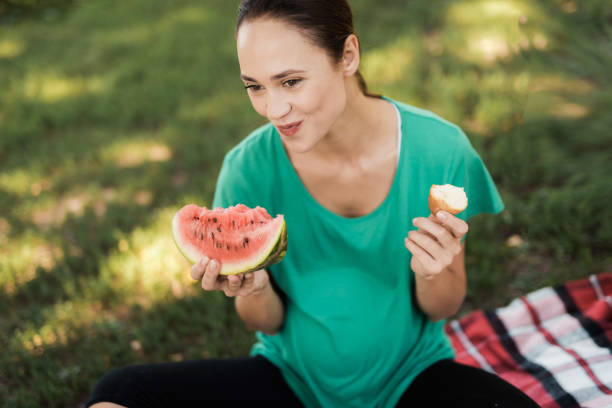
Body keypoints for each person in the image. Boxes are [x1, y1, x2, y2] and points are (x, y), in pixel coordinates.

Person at [87, 1, 540, 407]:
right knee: (121, 394)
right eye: (255, 87)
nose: (273, 109)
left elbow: (443, 306)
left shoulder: (440, 149)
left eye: (290, 81)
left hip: (412, 379)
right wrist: (255, 289)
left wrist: (433, 269)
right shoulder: (247, 168)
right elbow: (263, 321)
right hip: (289, 381)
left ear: (347, 55)